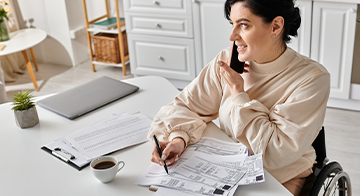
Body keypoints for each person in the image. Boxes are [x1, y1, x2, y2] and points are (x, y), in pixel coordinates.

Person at [148, 0, 330, 195]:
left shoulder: (311, 79)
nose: (232, 36)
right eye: (232, 24)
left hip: (280, 177)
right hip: (228, 169)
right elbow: (187, 106)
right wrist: (179, 138)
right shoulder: (228, 60)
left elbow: (274, 153)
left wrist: (238, 93)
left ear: (276, 26)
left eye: (244, 25)